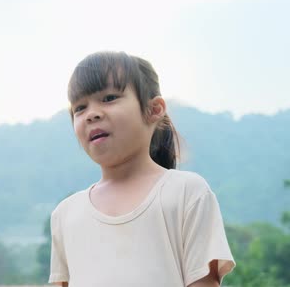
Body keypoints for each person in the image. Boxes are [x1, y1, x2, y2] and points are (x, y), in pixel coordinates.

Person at [49, 52, 235, 287]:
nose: (91, 114)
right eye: (79, 108)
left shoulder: (186, 193)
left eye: (108, 98)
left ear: (154, 109)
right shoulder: (66, 215)